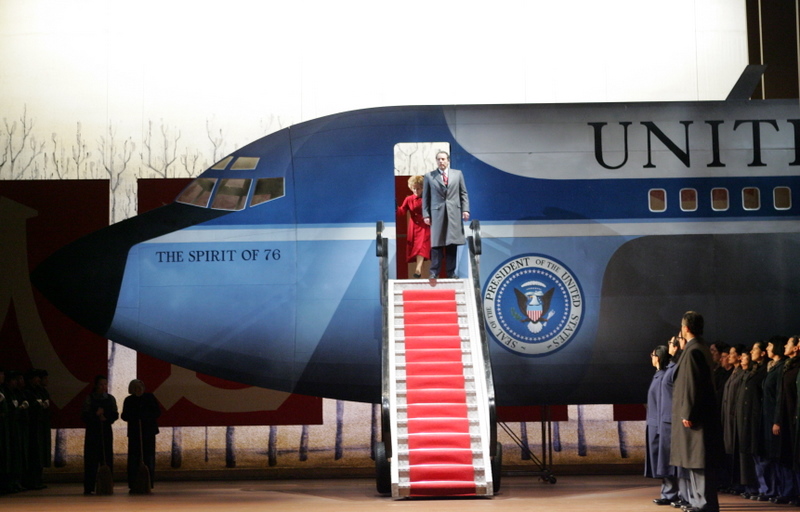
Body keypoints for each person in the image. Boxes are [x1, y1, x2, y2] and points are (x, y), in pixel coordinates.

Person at [670, 311, 719, 512]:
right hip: (698, 415)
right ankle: (698, 501)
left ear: (686, 328)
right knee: (693, 460)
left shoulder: (693, 350)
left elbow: (692, 385)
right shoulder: (698, 347)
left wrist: (687, 413)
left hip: (695, 417)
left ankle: (704, 503)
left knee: (698, 460)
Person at [422, 151, 469, 280]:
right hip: (437, 213)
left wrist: (465, 210)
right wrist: (426, 214)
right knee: (437, 244)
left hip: (454, 213)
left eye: (443, 159)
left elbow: (463, 193)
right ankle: (434, 272)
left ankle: (451, 273)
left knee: (452, 243)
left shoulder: (457, 174)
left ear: (448, 160)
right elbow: (425, 197)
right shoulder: (429, 176)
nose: (441, 161)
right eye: (438, 159)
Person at [646, 344, 682, 506]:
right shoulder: (659, 375)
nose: (651, 357)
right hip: (655, 423)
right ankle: (668, 493)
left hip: (661, 424)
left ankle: (672, 493)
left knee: (666, 460)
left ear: (658, 357)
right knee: (662, 461)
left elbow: (664, 403)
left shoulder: (663, 376)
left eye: (653, 355)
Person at [770, 335, 800, 504]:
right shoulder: (788, 366)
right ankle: (789, 491)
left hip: (794, 418)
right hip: (785, 418)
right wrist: (777, 420)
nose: (785, 347)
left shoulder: (797, 367)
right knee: (787, 456)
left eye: (789, 344)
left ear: (796, 347)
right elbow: (781, 397)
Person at [737, 342, 768, 499]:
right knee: (752, 454)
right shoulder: (753, 370)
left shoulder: (765, 370)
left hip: (757, 418)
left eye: (755, 349)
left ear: (763, 353)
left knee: (760, 455)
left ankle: (764, 489)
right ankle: (756, 487)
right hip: (747, 417)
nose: (751, 352)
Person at [121, 379, 161, 493]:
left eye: (141, 387)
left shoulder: (149, 397)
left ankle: (148, 483)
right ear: (132, 389)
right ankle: (133, 484)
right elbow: (124, 415)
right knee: (134, 458)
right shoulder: (129, 400)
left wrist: (145, 416)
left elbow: (157, 412)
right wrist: (134, 416)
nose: (139, 390)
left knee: (149, 457)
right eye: (136, 388)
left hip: (148, 432)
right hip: (135, 433)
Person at [81, 375, 118, 495]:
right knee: (91, 459)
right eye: (101, 384)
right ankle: (89, 487)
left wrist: (106, 418)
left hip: (106, 430)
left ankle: (106, 486)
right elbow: (84, 415)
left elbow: (115, 414)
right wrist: (96, 415)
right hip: (93, 432)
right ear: (96, 385)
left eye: (105, 384)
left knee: (106, 457)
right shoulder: (89, 398)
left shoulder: (110, 398)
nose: (103, 387)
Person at [396, 175, 431, 278]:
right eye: (414, 188)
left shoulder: (428, 198)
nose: (416, 191)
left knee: (422, 247)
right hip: (413, 226)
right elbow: (401, 212)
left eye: (418, 188)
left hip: (425, 225)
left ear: (422, 187)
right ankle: (419, 269)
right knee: (416, 247)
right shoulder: (409, 199)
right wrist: (395, 207)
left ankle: (418, 269)